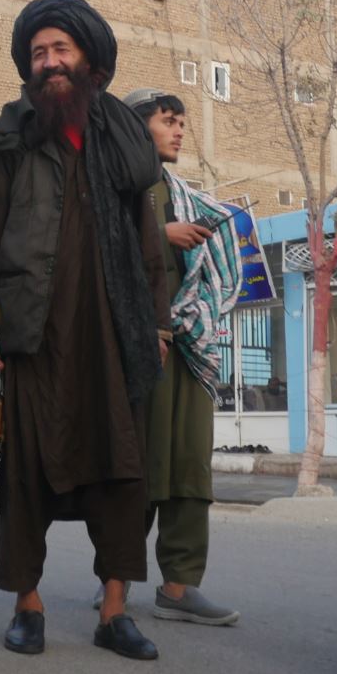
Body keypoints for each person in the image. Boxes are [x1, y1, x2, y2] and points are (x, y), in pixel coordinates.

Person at [0, 0, 169, 662]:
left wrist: (157, 327)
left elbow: (147, 246)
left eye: (60, 50)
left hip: (113, 329)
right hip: (34, 330)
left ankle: (114, 610)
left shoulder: (123, 136)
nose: (49, 62)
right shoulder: (13, 134)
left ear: (88, 59)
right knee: (23, 471)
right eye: (38, 53)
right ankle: (27, 604)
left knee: (122, 469)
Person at [118, 86, 241, 627]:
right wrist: (157, 233)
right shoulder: (116, 188)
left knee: (189, 465)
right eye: (168, 121)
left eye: (182, 123)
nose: (179, 131)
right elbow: (86, 248)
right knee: (136, 469)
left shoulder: (183, 193)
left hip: (187, 345)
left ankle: (179, 586)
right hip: (134, 349)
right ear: (136, 126)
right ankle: (115, 586)